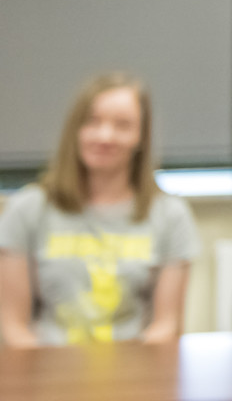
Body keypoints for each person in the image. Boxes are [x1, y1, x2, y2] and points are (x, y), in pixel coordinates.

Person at [0, 73, 198, 346]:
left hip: (135, 367)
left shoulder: (171, 216)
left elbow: (167, 326)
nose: (105, 136)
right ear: (76, 129)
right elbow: (13, 328)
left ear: (141, 136)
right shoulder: (27, 209)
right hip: (46, 366)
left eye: (123, 125)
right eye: (93, 121)